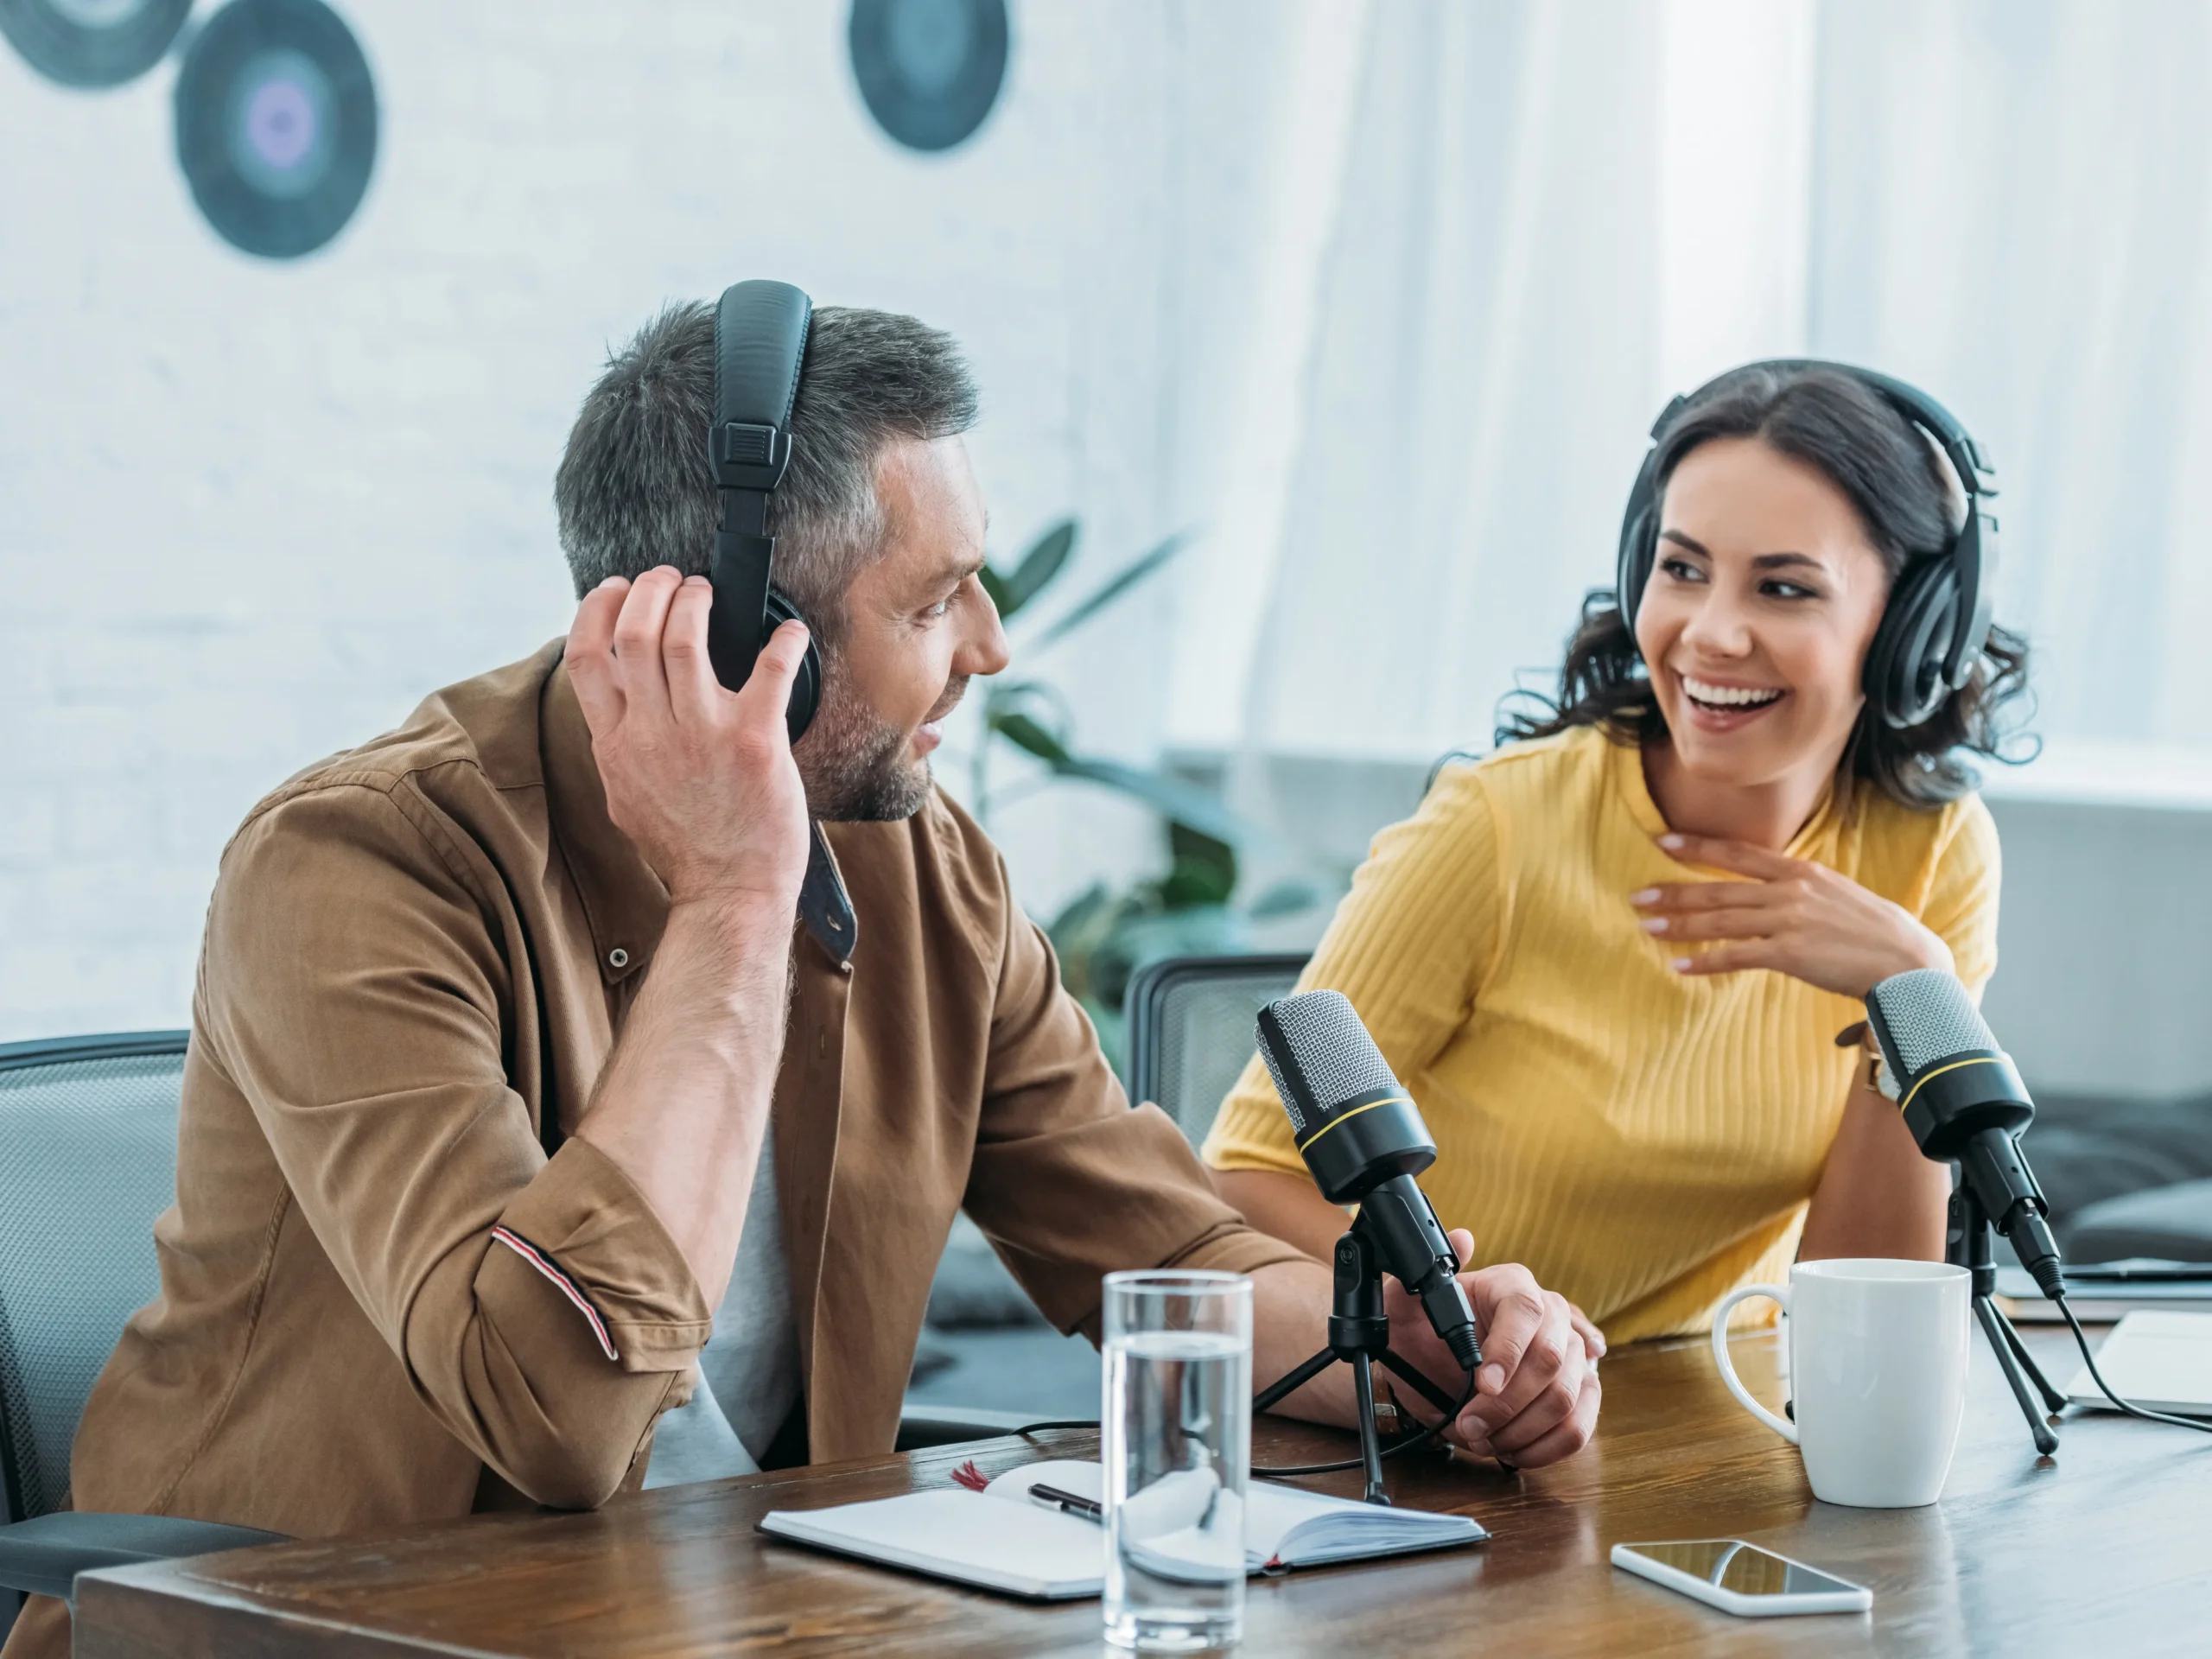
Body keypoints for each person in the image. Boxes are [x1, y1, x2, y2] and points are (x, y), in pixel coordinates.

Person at [5, 296, 1596, 1659]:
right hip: (310, 1628)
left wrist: (1426, 1353)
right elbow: (556, 1408)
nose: (990, 648)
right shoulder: (357, 868)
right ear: (737, 640)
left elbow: (1159, 1257)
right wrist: (738, 888)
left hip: (727, 1616)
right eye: (929, 598)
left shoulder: (922, 866)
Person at [1205, 363, 2031, 1357]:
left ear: (1909, 628)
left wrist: (1912, 995)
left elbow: (1870, 1320)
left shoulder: (1931, 851)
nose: (1710, 634)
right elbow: (1246, 1179)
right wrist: (1478, 1321)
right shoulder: (1498, 828)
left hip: (1712, 1435)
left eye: (1782, 587)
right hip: (1464, 1410)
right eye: (1681, 569)